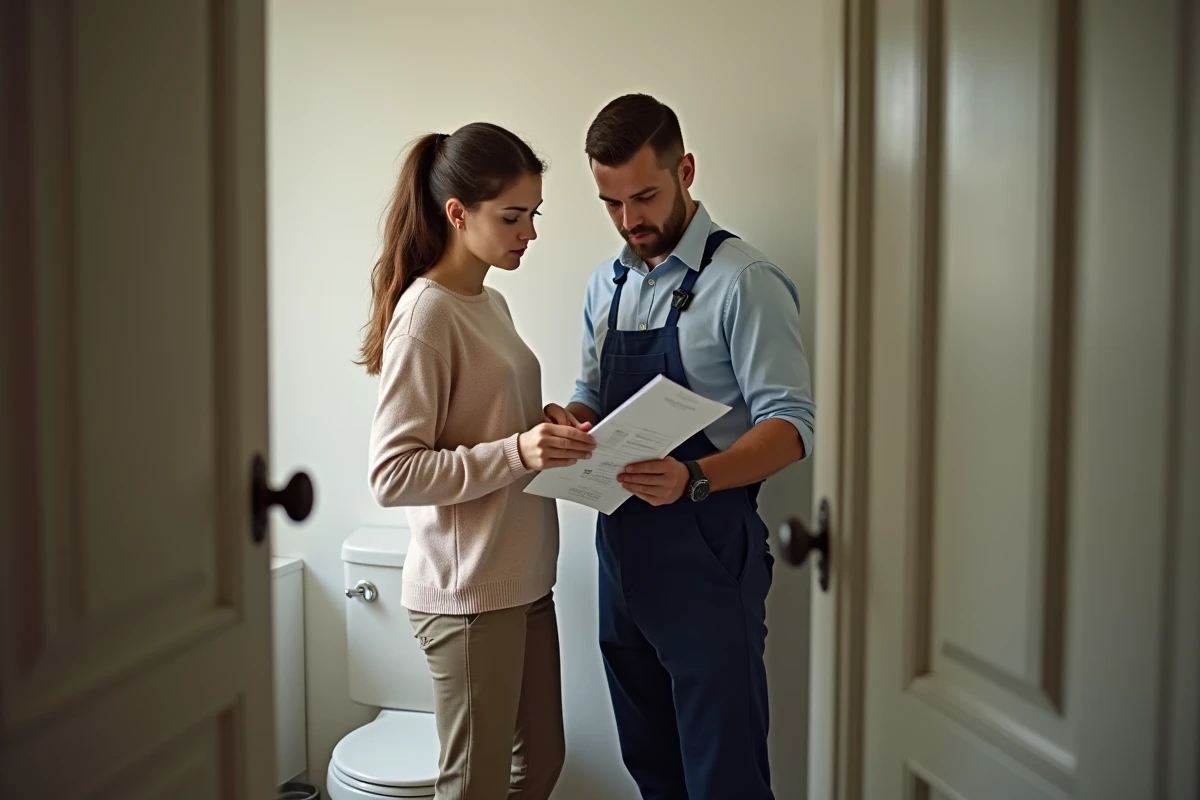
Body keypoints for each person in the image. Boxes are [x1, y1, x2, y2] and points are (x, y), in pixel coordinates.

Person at [546, 94, 816, 800]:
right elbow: (591, 389)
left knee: (724, 776)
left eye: (644, 197)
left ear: (685, 171)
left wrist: (693, 476)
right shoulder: (605, 285)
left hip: (708, 549)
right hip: (620, 554)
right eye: (611, 203)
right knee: (651, 766)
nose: (629, 220)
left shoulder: (746, 282)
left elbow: (791, 427)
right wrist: (573, 422)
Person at [361, 122, 596, 800]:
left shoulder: (490, 302)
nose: (529, 232)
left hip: (523, 579)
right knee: (475, 788)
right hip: (468, 595)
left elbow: (484, 422)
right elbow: (392, 474)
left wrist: (545, 424)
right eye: (512, 216)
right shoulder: (426, 316)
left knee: (539, 765)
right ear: (458, 214)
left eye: (534, 214)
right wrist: (518, 449)